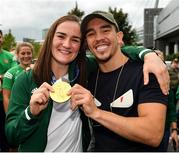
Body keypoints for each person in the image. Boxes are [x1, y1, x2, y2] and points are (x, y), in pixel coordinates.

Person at [5, 15, 169, 152]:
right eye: (61, 36)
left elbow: (113, 51)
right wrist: (30, 113)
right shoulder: (26, 80)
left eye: (75, 39)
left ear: (81, 45)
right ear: (50, 39)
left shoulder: (84, 71)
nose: (67, 44)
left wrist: (147, 54)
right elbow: (11, 135)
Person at [69, 11, 168, 151]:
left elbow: (153, 134)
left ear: (119, 37)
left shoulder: (147, 71)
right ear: (87, 43)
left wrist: (96, 113)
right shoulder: (88, 77)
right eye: (91, 34)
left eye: (105, 30)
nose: (98, 38)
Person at [2, 42, 34, 113]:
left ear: (32, 54)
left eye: (29, 53)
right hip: (18, 112)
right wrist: (9, 117)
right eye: (23, 53)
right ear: (17, 55)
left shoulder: (38, 71)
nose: (26, 56)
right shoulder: (10, 73)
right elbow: (6, 97)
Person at [0, 29, 17, 151]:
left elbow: (12, 73)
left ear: (2, 38)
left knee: (4, 129)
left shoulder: (9, 56)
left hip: (4, 100)